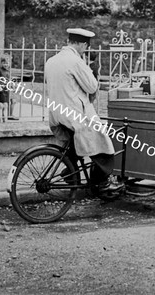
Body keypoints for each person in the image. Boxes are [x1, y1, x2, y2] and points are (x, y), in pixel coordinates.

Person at [44, 28, 123, 194]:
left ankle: (70, 173)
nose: (86, 49)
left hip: (57, 114)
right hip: (75, 115)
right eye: (85, 46)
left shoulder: (51, 61)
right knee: (104, 145)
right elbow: (92, 86)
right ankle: (101, 183)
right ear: (80, 44)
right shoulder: (75, 61)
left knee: (77, 144)